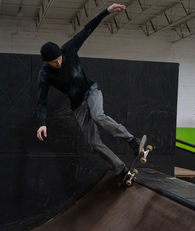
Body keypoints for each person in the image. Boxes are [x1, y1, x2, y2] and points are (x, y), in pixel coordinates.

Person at [36, 3, 141, 185]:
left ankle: (132, 140)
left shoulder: (68, 48)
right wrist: (42, 123)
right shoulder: (44, 74)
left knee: (98, 115)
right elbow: (41, 101)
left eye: (59, 58)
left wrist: (106, 11)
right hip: (77, 105)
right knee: (94, 144)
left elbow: (87, 29)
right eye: (54, 62)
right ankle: (120, 168)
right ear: (46, 62)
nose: (59, 63)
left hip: (91, 91)